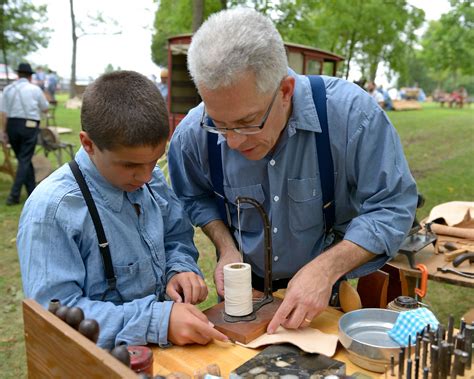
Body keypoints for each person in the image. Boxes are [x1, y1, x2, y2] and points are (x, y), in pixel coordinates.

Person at [168, 8, 417, 334]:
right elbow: (195, 196)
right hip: (247, 296)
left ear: (285, 91)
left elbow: (392, 206)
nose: (231, 142)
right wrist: (227, 247)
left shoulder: (351, 116)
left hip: (327, 296)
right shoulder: (192, 136)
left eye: (246, 123)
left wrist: (325, 269)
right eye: (219, 125)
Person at [17, 70, 228, 349]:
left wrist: (179, 269)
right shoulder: (53, 211)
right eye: (129, 165)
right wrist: (157, 322)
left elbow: (175, 236)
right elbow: (55, 319)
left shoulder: (152, 181)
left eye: (154, 160)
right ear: (88, 144)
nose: (144, 177)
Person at [1, 63, 49, 205]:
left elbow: (3, 113)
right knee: (25, 159)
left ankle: (31, 191)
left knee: (23, 159)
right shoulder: (35, 89)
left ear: (18, 75)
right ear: (30, 76)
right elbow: (45, 108)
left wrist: (3, 131)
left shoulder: (8, 89)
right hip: (29, 125)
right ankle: (14, 195)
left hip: (11, 126)